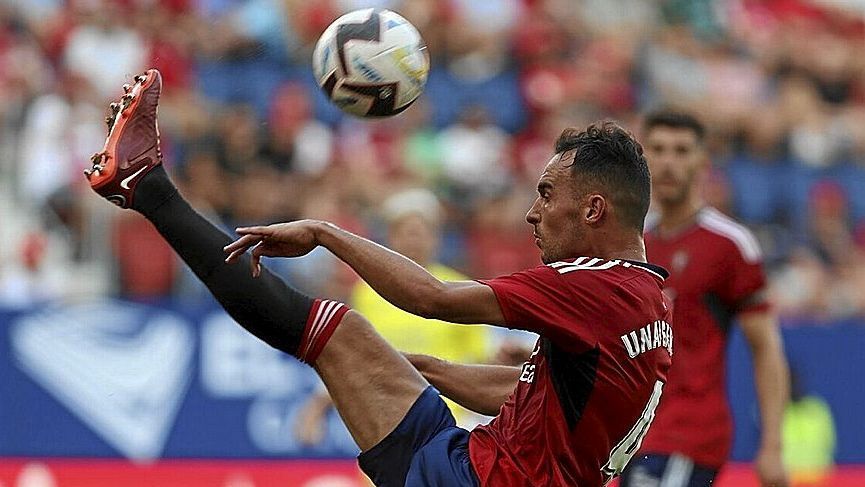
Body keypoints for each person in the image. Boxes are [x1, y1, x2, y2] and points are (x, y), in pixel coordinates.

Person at [85, 69, 673, 487]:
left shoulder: (592, 286)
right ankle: (144, 184)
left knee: (329, 331)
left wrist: (325, 233)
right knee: (341, 336)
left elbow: (434, 297)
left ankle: (144, 185)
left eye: (546, 195)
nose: (532, 213)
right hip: (484, 461)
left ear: (593, 210)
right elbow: (533, 401)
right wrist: (426, 369)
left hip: (479, 479)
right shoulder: (644, 298)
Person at [619, 110, 790, 487]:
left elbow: (765, 347)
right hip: (626, 434)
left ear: (702, 161)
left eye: (682, 151)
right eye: (659, 150)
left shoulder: (729, 245)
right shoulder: (628, 242)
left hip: (689, 432)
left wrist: (773, 445)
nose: (668, 163)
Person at [295, 189, 492, 445]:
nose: (414, 240)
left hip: (444, 426)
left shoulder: (462, 290)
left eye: (420, 231)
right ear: (391, 237)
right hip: (382, 424)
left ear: (435, 237)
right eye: (405, 232)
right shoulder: (367, 293)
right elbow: (353, 355)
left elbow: (482, 363)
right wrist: (317, 408)